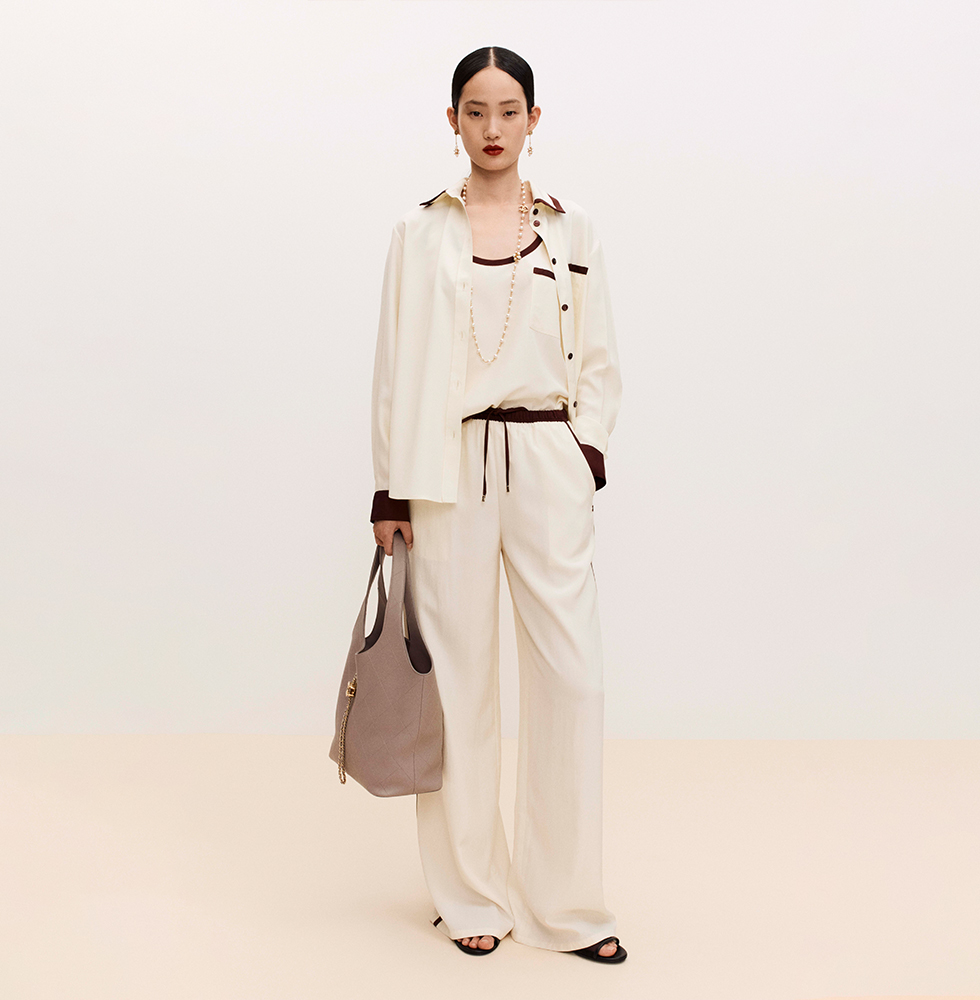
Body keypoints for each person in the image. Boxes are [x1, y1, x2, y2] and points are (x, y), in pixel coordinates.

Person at [368, 46, 625, 963]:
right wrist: (389, 488)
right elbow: (394, 364)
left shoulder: (571, 226)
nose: (492, 128)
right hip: (447, 469)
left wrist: (583, 451)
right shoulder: (418, 231)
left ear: (533, 120)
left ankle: (568, 908)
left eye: (508, 111)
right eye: (475, 112)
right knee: (460, 683)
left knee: (573, 679)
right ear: (452, 122)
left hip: (548, 455)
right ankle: (469, 896)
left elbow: (600, 356)